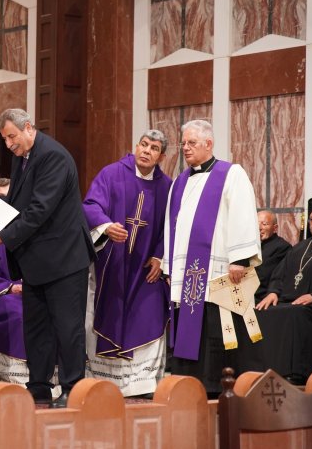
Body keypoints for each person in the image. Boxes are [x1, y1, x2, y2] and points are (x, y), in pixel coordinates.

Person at [0, 108, 95, 408]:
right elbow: (17, 202)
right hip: (37, 261)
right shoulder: (23, 156)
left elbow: (38, 211)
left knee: (68, 329)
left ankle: (73, 389)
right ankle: (39, 387)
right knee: (37, 329)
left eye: (12, 137)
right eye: (5, 139)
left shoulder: (53, 156)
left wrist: (1, 238)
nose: (9, 144)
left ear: (28, 127)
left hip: (64, 259)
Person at [163, 119, 261, 395]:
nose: (185, 148)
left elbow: (243, 214)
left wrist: (240, 258)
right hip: (186, 273)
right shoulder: (179, 182)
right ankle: (187, 382)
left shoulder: (231, 174)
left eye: (192, 142)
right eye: (183, 143)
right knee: (189, 327)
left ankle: (217, 383)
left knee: (217, 327)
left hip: (219, 269)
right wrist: (170, 267)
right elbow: (171, 225)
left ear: (209, 143)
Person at [82, 130, 172, 397]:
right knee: (106, 311)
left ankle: (141, 383)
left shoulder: (166, 186)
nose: (146, 151)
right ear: (136, 146)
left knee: (150, 311)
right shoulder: (111, 174)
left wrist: (159, 256)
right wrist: (106, 226)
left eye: (154, 148)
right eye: (144, 145)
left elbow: (171, 225)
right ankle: (104, 380)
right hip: (113, 264)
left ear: (161, 157)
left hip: (144, 269)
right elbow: (90, 205)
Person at [253, 197, 312, 383]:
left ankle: (295, 373)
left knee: (296, 314)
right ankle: (264, 371)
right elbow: (279, 274)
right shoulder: (299, 248)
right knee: (263, 311)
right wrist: (273, 292)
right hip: (288, 301)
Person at [0, 178, 26, 383]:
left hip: (32, 290)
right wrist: (9, 287)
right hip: (2, 294)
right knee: (18, 313)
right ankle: (18, 377)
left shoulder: (27, 225)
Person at [254, 210, 292, 303]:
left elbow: (266, 275)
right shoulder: (250, 246)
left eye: (264, 224)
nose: (259, 228)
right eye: (256, 224)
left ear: (275, 228)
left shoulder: (282, 247)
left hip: (264, 296)